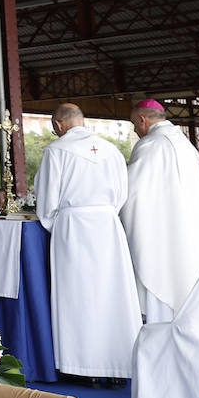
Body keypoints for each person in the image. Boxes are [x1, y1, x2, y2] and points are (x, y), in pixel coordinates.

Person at [34, 103, 141, 378]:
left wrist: (55, 224)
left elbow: (47, 199)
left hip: (74, 227)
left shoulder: (56, 151)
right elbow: (121, 194)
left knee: (78, 295)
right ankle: (118, 367)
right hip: (107, 225)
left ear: (58, 124)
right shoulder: (111, 150)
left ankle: (82, 368)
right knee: (111, 292)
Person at [119, 98, 199, 323]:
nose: (135, 130)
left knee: (168, 290)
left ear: (142, 119)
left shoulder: (151, 144)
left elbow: (132, 194)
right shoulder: (184, 143)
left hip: (168, 238)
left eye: (134, 125)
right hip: (195, 233)